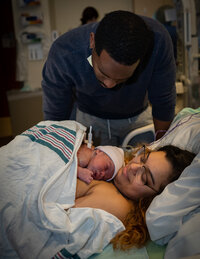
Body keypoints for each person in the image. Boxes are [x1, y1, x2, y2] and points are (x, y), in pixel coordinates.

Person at [42, 10, 176, 146]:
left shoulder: (158, 41)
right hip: (90, 121)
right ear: (92, 41)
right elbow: (56, 113)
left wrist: (161, 145)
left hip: (137, 118)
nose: (110, 85)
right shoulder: (64, 52)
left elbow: (163, 101)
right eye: (103, 73)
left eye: (122, 79)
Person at [74, 144, 196, 249]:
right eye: (142, 159)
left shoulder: (117, 203)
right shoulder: (113, 165)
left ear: (150, 200)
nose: (132, 167)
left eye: (144, 178)